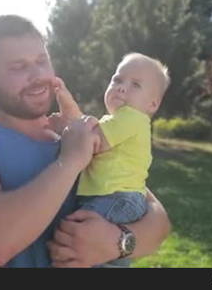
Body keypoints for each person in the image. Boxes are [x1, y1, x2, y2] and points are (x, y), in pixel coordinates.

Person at [0, 14, 171, 268]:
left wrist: (117, 242)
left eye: (42, 61)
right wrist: (70, 161)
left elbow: (158, 220)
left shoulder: (77, 134)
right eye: (18, 67)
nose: (38, 75)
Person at [48, 53, 170, 267]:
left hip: (116, 197)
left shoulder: (132, 118)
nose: (122, 87)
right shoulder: (117, 121)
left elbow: (91, 142)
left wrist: (65, 128)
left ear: (152, 104)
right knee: (104, 258)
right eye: (117, 80)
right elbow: (89, 136)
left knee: (76, 243)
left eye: (135, 85)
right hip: (115, 197)